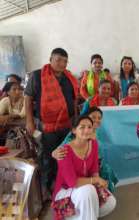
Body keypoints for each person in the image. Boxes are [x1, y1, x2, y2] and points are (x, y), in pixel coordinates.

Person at [25, 48, 78, 195]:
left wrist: (75, 121)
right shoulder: (37, 76)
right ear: (50, 59)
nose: (62, 64)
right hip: (47, 127)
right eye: (58, 60)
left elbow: (74, 100)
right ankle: (48, 189)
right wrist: (29, 121)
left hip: (66, 125)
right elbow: (28, 98)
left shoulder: (69, 78)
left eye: (65, 61)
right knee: (48, 158)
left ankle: (65, 184)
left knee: (65, 155)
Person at [52, 116, 116, 220]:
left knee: (110, 203)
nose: (86, 130)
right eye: (82, 127)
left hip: (85, 187)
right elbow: (72, 183)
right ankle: (76, 214)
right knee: (88, 191)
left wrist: (98, 184)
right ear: (74, 130)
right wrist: (95, 180)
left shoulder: (93, 144)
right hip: (67, 191)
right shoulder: (64, 151)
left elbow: (94, 169)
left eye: (89, 127)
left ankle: (86, 214)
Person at [52, 107, 118, 193]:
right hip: (83, 170)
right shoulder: (77, 133)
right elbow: (60, 149)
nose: (96, 120)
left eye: (99, 118)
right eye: (93, 117)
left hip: (97, 167)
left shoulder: (97, 132)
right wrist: (54, 153)